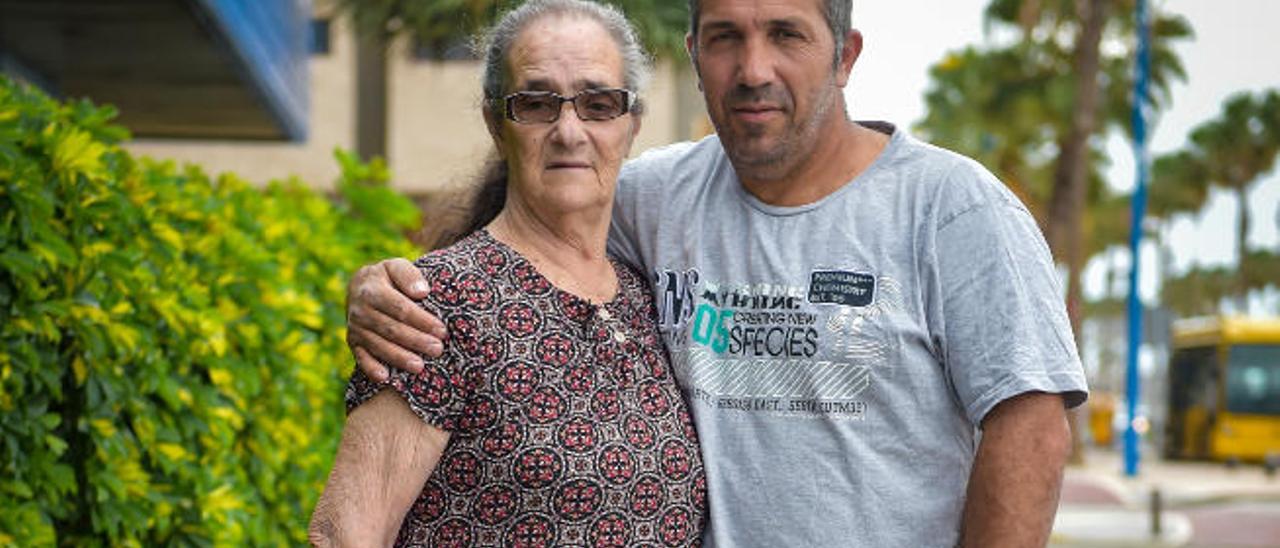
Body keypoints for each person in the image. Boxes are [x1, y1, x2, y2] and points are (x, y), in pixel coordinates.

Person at [346, 0, 1090, 546]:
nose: (753, 69)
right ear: (696, 53)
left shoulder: (951, 209)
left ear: (845, 55)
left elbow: (1030, 428)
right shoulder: (651, 199)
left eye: (787, 35)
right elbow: (530, 231)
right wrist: (393, 286)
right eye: (727, 38)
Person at [308, 1, 706, 546]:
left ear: (631, 124)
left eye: (598, 103)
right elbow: (344, 532)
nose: (569, 130)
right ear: (496, 124)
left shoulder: (641, 294)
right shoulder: (440, 303)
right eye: (537, 104)